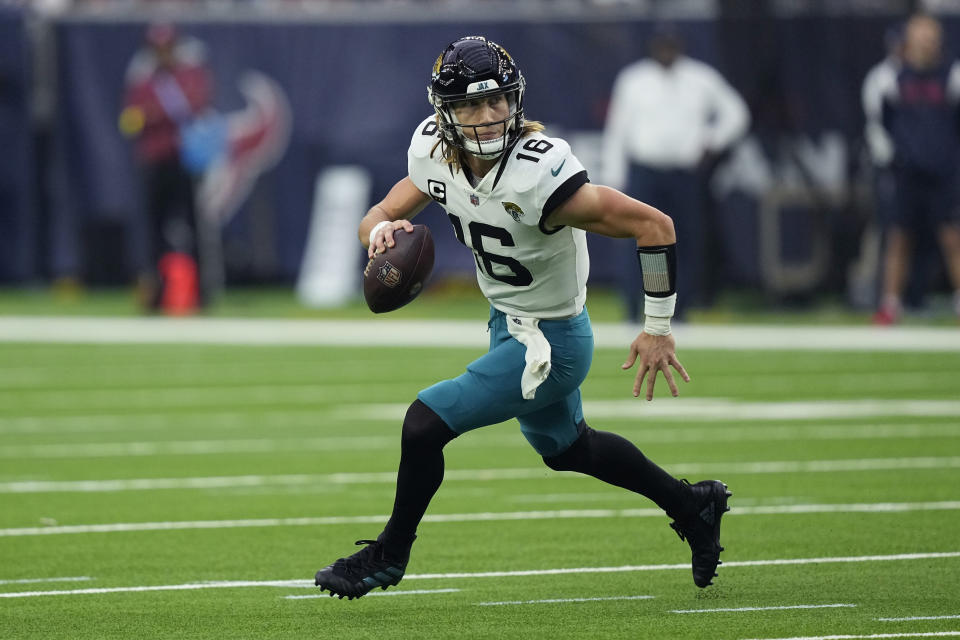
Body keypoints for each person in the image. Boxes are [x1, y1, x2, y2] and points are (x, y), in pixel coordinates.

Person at [313, 36, 731, 600]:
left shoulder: (541, 174)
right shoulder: (436, 154)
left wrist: (657, 326)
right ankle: (693, 505)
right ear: (444, 112)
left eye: (497, 103)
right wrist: (377, 232)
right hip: (506, 319)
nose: (486, 119)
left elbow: (655, 225)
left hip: (552, 341)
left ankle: (389, 554)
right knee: (569, 451)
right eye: (468, 106)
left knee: (423, 423)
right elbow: (382, 213)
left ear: (515, 101)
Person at [602, 25, 749, 321]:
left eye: (671, 45)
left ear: (680, 46)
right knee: (639, 240)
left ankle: (679, 311)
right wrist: (614, 175)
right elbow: (617, 131)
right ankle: (634, 308)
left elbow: (737, 113)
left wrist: (712, 141)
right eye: (661, 45)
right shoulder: (634, 80)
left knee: (681, 242)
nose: (666, 51)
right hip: (646, 171)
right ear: (652, 47)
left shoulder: (700, 78)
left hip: (684, 174)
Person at [872, 13, 960, 324]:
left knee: (952, 237)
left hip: (944, 171)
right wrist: (895, 158)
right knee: (899, 237)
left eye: (930, 37)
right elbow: (883, 122)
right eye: (920, 37)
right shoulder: (891, 79)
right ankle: (890, 304)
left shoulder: (952, 76)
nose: (925, 43)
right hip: (907, 172)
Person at [119, 23, 212, 314]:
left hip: (184, 161)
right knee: (152, 231)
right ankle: (155, 293)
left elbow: (196, 105)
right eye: (157, 49)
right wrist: (150, 115)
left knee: (194, 229)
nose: (163, 54)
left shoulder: (188, 76)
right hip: (154, 161)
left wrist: (152, 114)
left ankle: (200, 293)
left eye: (167, 48)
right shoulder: (143, 82)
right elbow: (130, 121)